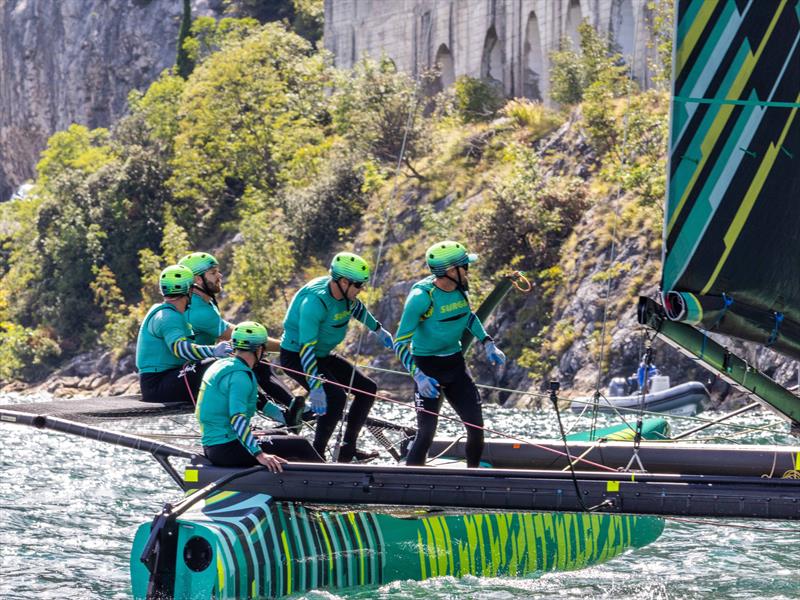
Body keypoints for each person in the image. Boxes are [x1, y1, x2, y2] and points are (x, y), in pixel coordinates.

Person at [393, 240, 506, 468]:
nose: (468, 270)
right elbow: (399, 343)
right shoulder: (421, 298)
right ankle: (411, 482)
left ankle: (472, 480)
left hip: (455, 366)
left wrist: (487, 342)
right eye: (465, 265)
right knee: (426, 433)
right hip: (427, 368)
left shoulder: (460, 290)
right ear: (451, 271)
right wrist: (419, 376)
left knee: (476, 428)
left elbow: (468, 316)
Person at [279, 251, 394, 462]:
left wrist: (378, 330)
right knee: (336, 396)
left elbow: (358, 310)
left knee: (367, 389)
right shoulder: (314, 303)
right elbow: (306, 349)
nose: (361, 290)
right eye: (358, 285)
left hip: (323, 355)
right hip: (298, 357)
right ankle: (316, 454)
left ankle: (348, 449)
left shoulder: (346, 296)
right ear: (343, 281)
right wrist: (315, 386)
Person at [179, 251, 303, 425]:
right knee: (247, 356)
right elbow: (246, 338)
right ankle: (287, 412)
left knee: (252, 358)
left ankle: (291, 410)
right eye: (213, 273)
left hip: (198, 365)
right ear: (197, 280)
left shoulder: (204, 303)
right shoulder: (198, 310)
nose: (219, 276)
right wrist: (287, 347)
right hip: (185, 375)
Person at [196, 321, 322, 469]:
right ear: (259, 349)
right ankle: (335, 479)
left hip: (215, 445)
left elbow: (254, 402)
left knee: (283, 434)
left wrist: (284, 416)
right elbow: (237, 418)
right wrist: (259, 454)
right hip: (226, 448)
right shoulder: (240, 377)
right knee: (300, 445)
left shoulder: (222, 365)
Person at [135, 264, 232, 403]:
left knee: (225, 363)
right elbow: (179, 349)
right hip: (157, 385)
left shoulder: (168, 312)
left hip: (166, 379)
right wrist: (214, 351)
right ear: (190, 290)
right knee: (220, 363)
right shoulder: (168, 317)